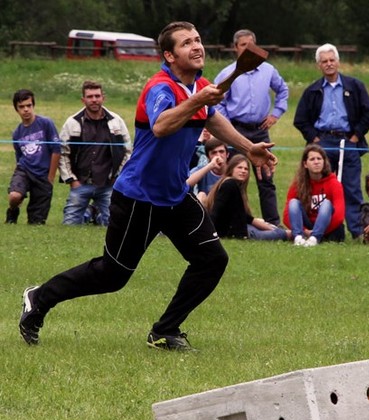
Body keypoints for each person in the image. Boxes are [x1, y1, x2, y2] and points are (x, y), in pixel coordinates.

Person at [18, 21, 278, 351]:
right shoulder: (160, 87)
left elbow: (212, 117)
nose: (196, 46)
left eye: (198, 40)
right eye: (186, 43)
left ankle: (165, 330)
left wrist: (248, 146)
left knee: (212, 260)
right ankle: (39, 297)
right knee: (112, 276)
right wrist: (198, 101)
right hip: (139, 197)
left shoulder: (199, 86)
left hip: (175, 196)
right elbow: (161, 125)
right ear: (169, 55)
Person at [293, 43, 369, 239]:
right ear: (318, 65)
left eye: (332, 60)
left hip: (348, 141)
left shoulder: (355, 86)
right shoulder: (312, 90)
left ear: (338, 62)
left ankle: (356, 232)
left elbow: (367, 113)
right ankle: (322, 227)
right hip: (323, 143)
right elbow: (300, 120)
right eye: (324, 61)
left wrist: (355, 137)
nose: (329, 64)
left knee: (351, 188)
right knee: (321, 187)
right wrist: (315, 140)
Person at [214, 29, 289, 225]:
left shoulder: (268, 70)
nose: (247, 49)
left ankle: (272, 222)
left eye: (251, 45)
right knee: (234, 175)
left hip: (260, 129)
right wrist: (226, 122)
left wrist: (276, 113)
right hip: (235, 130)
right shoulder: (227, 73)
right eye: (242, 45)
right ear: (235, 48)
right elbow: (217, 100)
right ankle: (232, 221)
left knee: (265, 176)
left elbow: (282, 90)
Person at [58, 80, 132, 226]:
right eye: (90, 96)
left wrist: (117, 177)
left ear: (103, 98)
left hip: (108, 185)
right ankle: (90, 212)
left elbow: (127, 151)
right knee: (69, 225)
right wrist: (72, 180)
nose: (94, 100)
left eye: (97, 96)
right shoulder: (72, 122)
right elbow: (63, 153)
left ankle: (95, 214)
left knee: (115, 225)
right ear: (83, 99)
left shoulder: (116, 122)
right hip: (81, 183)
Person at [6, 89, 61, 224]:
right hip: (24, 170)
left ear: (33, 106)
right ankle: (13, 211)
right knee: (14, 196)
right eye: (21, 107)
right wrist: (18, 174)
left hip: (43, 175)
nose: (26, 110)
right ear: (16, 109)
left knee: (36, 222)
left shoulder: (46, 123)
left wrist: (51, 177)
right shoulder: (17, 133)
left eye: (28, 105)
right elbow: (19, 157)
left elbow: (56, 149)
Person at [204, 154, 288, 241]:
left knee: (269, 227)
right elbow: (217, 209)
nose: (243, 171)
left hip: (239, 228)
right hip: (234, 232)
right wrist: (208, 233)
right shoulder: (230, 184)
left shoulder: (232, 185)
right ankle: (295, 234)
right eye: (239, 168)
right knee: (281, 234)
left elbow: (243, 216)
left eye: (246, 169)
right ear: (231, 169)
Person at [283, 144, 345, 247]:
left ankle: (314, 239)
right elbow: (287, 215)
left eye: (319, 159)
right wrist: (305, 231)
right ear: (305, 164)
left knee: (326, 204)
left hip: (326, 227)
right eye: (312, 159)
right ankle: (298, 238)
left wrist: (319, 231)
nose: (316, 162)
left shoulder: (334, 184)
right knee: (293, 203)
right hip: (307, 225)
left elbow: (339, 215)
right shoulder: (298, 184)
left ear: (324, 162)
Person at [187, 137, 228, 202]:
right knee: (201, 195)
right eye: (214, 153)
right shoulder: (203, 169)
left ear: (227, 154)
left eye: (221, 152)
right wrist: (210, 166)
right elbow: (186, 183)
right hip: (207, 206)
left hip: (226, 206)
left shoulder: (233, 170)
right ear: (208, 157)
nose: (218, 155)